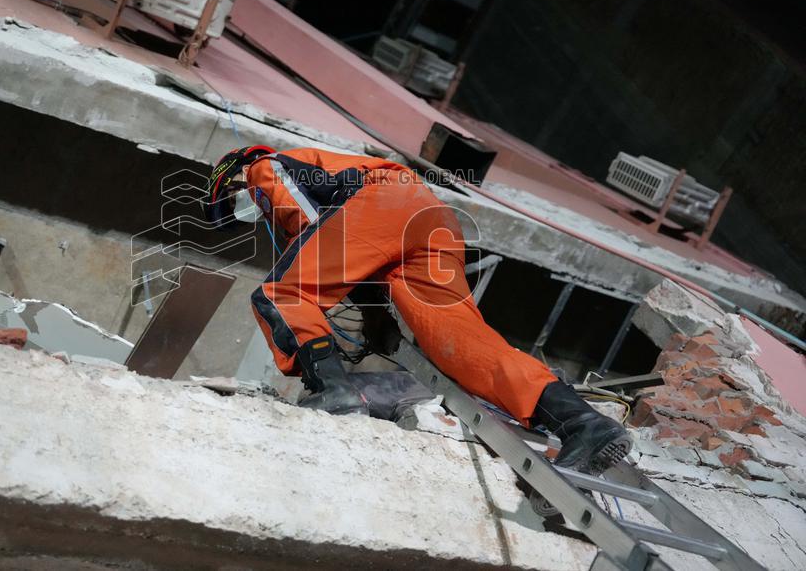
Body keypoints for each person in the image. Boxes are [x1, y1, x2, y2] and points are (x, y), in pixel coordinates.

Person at [202, 145, 632, 483]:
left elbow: (320, 224)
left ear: (234, 176)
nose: (247, 213)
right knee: (461, 345)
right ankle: (580, 423)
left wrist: (336, 297)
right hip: (429, 218)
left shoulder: (263, 167)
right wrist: (374, 317)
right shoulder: (314, 172)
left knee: (280, 294)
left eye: (234, 204)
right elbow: (346, 249)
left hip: (384, 204)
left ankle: (334, 391)